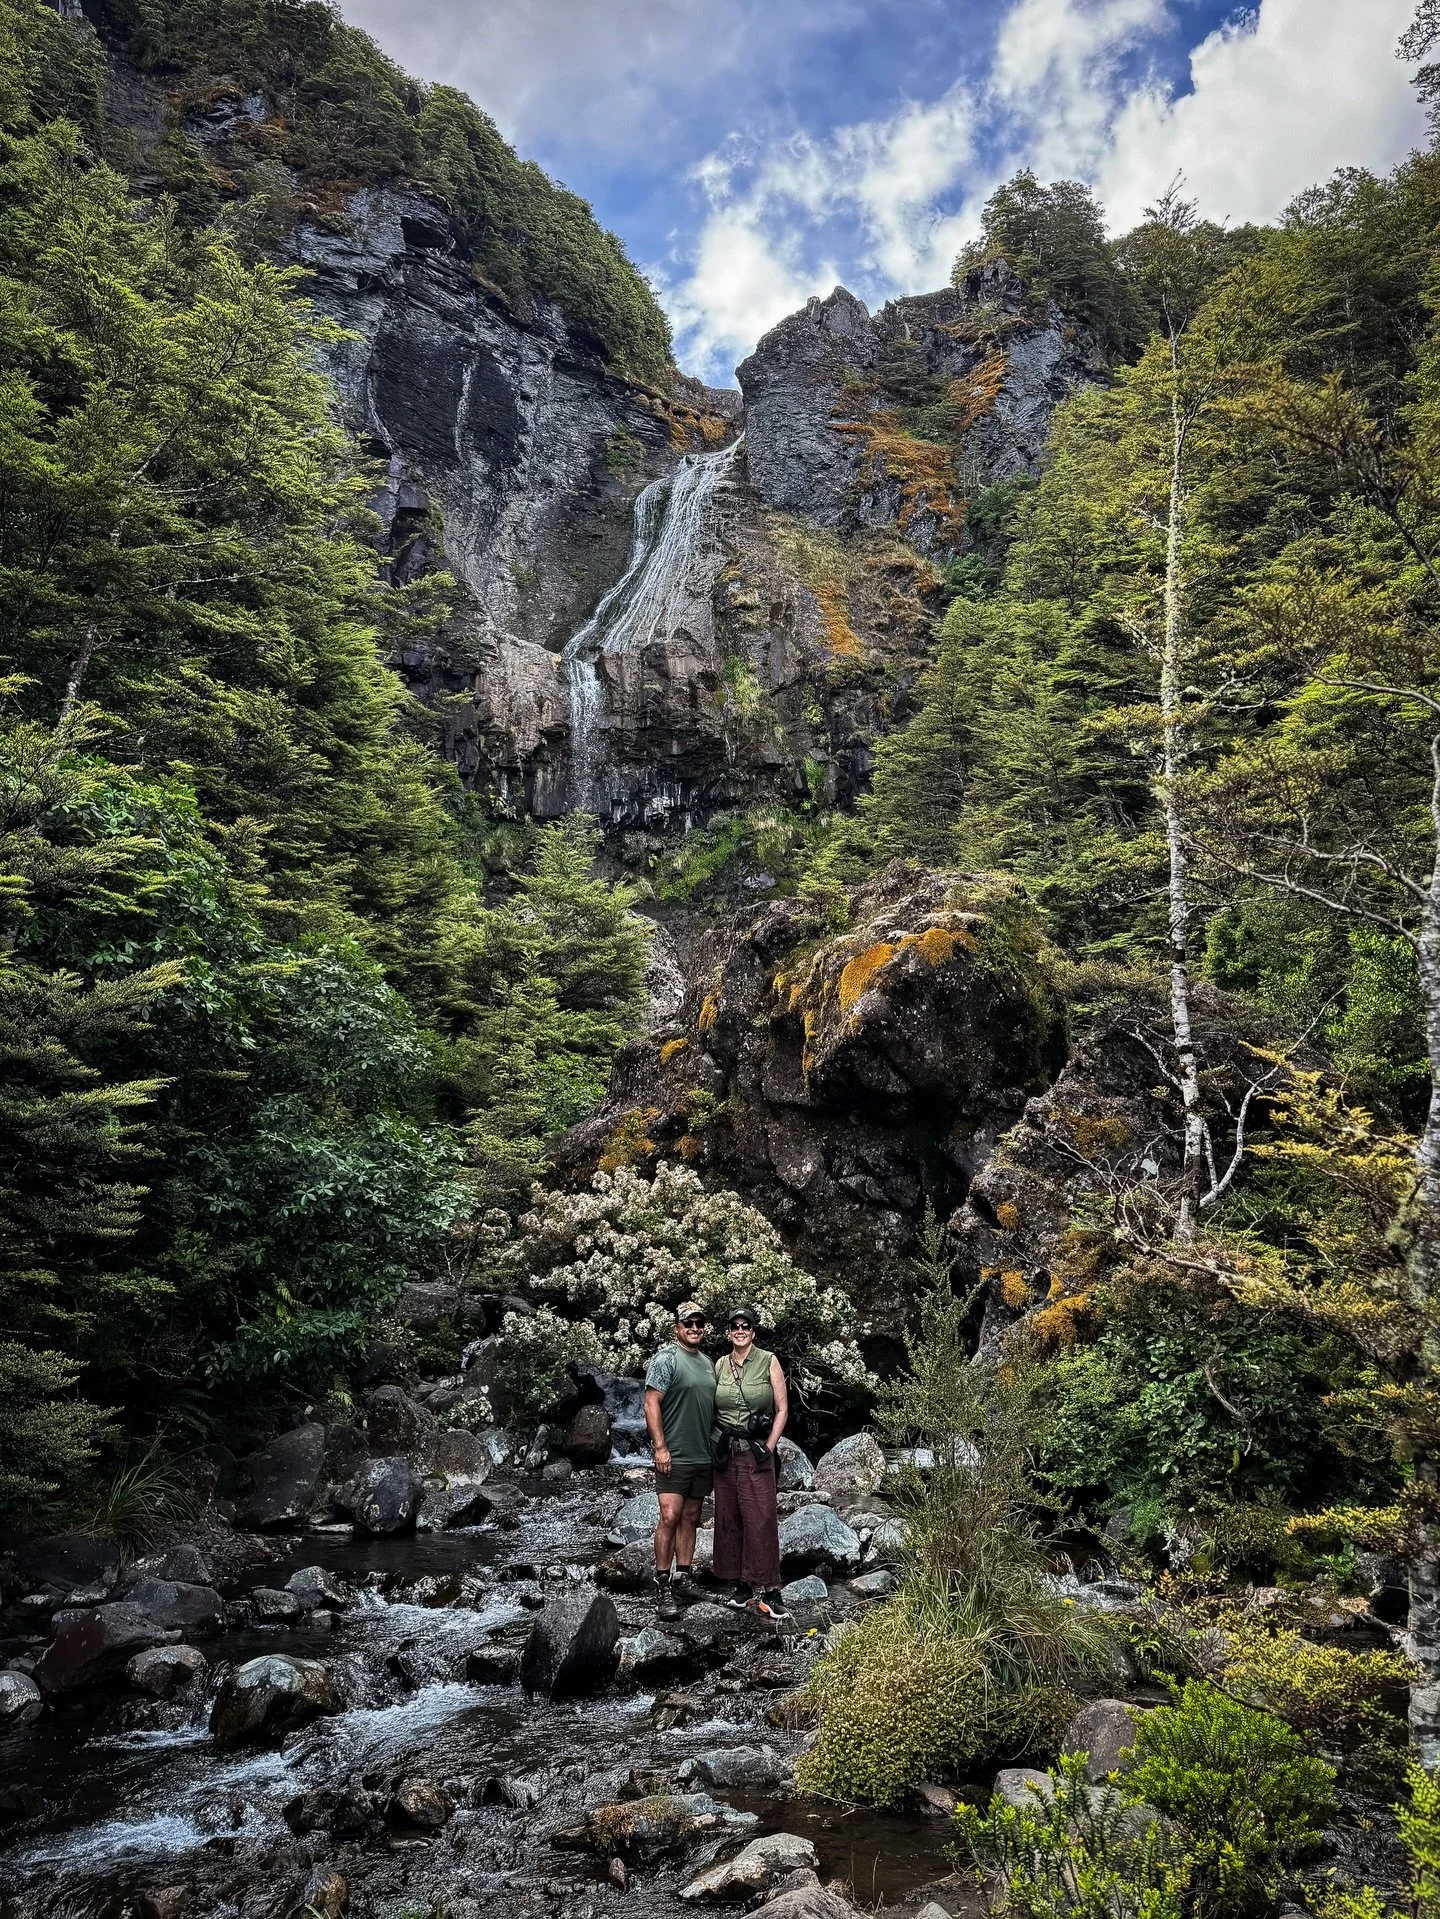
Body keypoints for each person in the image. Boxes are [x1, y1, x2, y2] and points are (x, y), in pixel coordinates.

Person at [712, 1304, 790, 1619]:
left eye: (746, 1326)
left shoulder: (769, 1361)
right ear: (729, 1332)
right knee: (730, 1518)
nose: (740, 1331)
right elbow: (710, 1408)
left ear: (753, 1332)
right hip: (726, 1453)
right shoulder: (720, 1364)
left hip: (756, 1452)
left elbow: (782, 1409)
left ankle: (771, 1590)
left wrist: (769, 1446)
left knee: (762, 1519)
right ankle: (742, 1586)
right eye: (735, 1326)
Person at [644, 1301, 716, 1621]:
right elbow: (651, 1403)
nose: (694, 1328)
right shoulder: (666, 1359)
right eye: (689, 1323)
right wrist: (660, 1447)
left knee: (691, 1517)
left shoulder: (708, 1363)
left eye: (699, 1323)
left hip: (702, 1455)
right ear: (677, 1328)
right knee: (669, 1517)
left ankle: (683, 1579)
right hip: (673, 1454)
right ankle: (663, 1585)